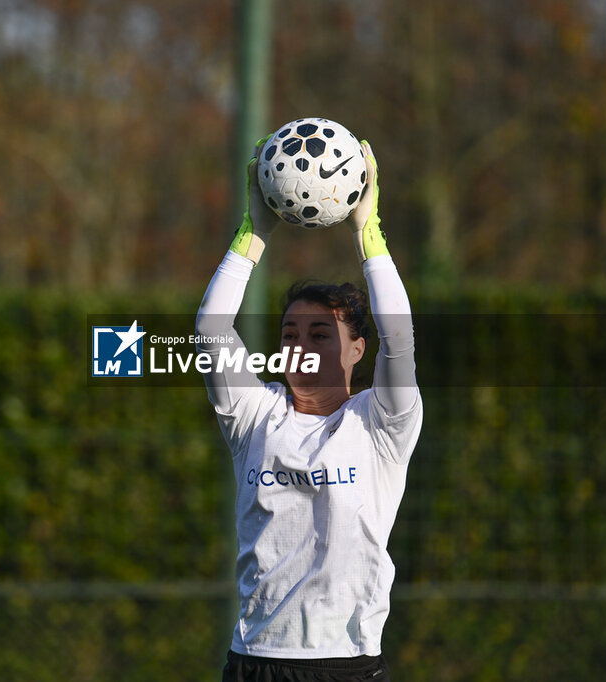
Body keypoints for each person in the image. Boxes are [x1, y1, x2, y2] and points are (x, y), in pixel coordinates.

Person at [196, 138, 422, 682]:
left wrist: (368, 236)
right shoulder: (254, 414)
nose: (301, 344)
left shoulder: (380, 424)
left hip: (346, 664)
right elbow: (210, 329)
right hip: (255, 662)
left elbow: (400, 336)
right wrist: (255, 234)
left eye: (321, 334)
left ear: (356, 349)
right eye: (290, 333)